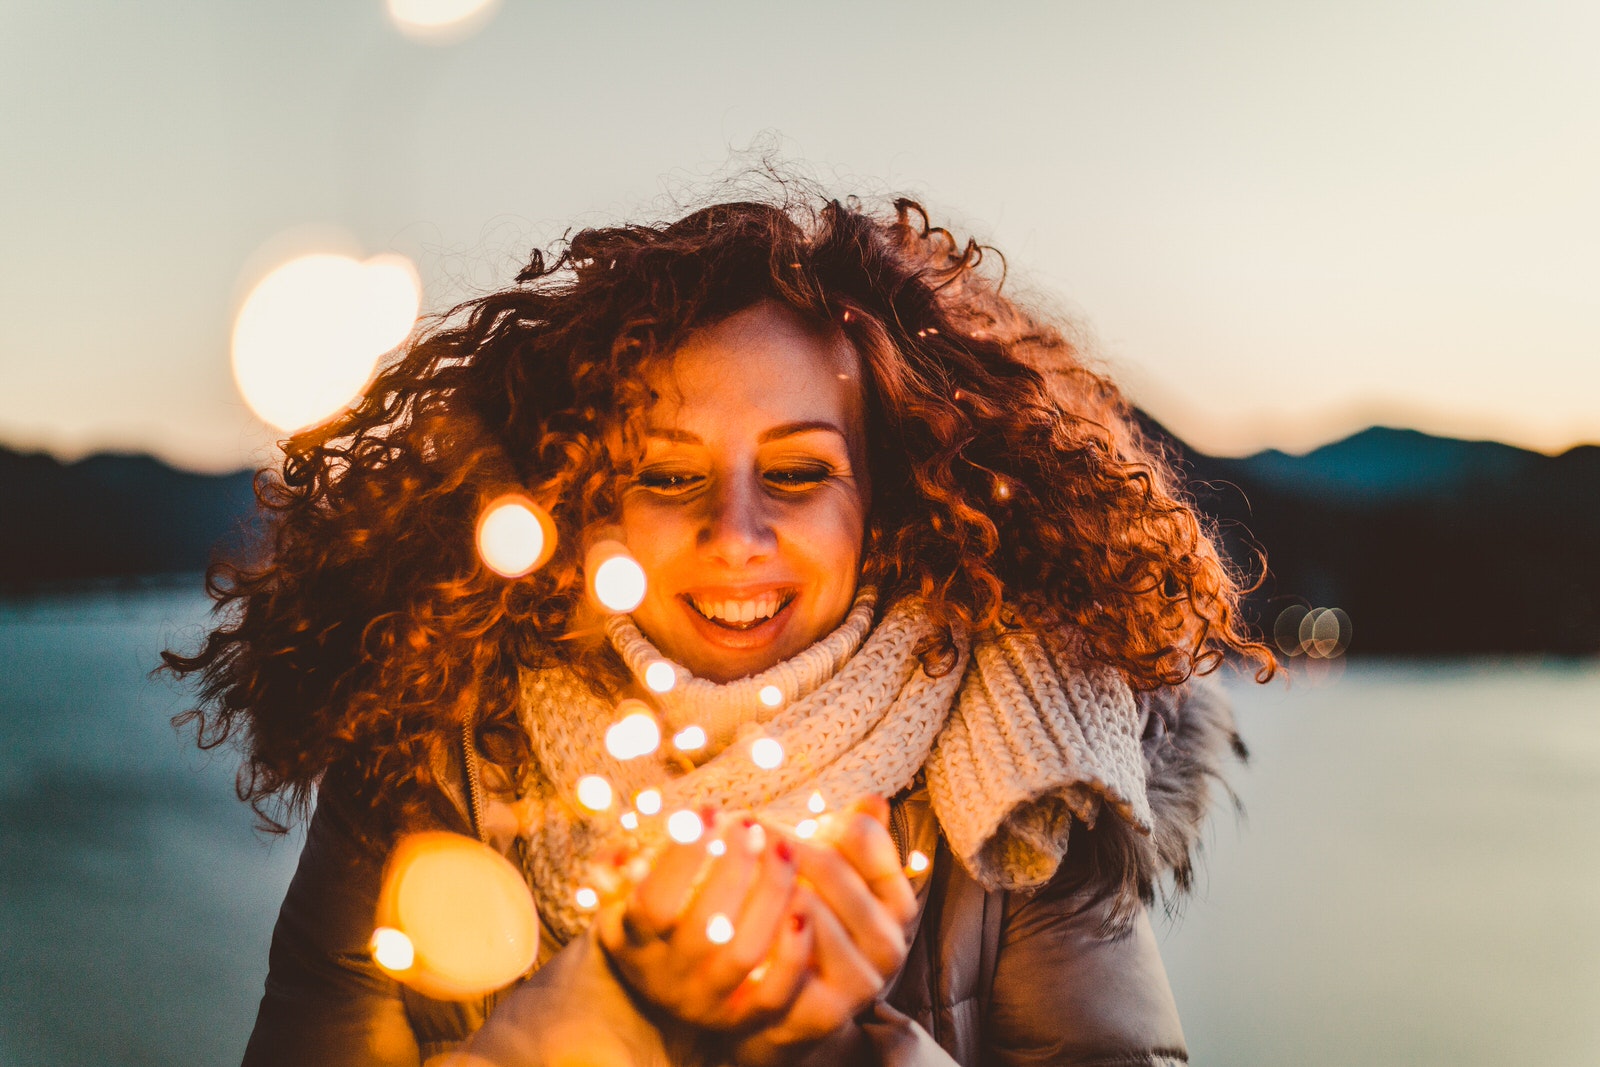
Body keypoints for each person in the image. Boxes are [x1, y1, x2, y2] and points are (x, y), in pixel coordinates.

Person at [165, 191, 1275, 1066]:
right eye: (667, 474)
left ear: (884, 501)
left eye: (796, 472)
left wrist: (847, 1047)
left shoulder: (1028, 767)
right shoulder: (429, 760)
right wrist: (611, 1011)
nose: (734, 534)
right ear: (586, 498)